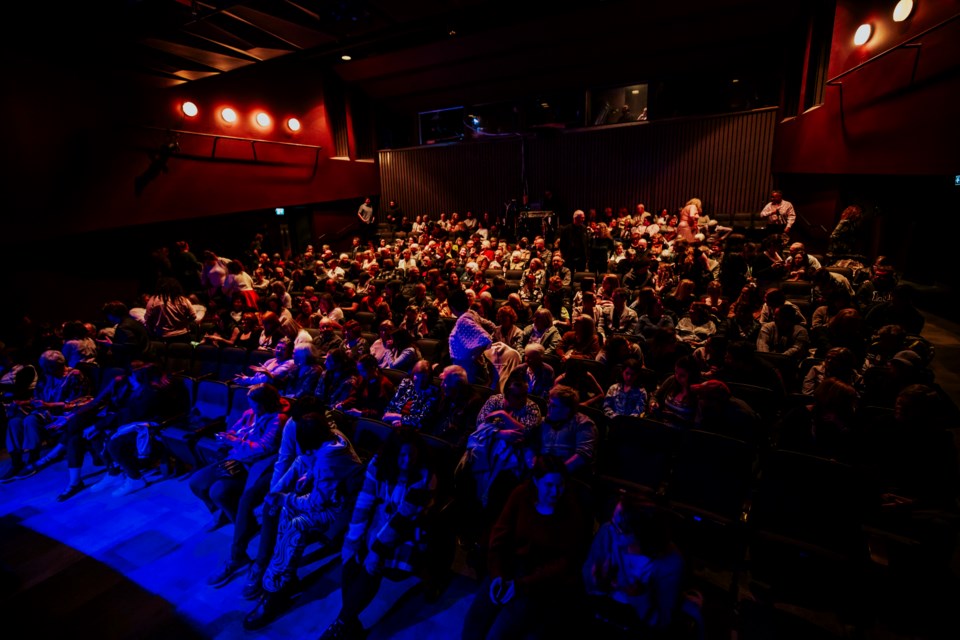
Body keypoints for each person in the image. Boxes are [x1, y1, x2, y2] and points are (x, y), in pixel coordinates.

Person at [241, 412, 363, 630]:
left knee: (294, 522)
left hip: (343, 508)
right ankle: (282, 577)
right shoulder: (330, 435)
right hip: (333, 497)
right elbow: (303, 462)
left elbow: (317, 501)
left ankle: (275, 592)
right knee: (286, 513)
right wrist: (278, 493)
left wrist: (284, 499)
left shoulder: (329, 456)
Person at [318, 428, 437, 640]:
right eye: (402, 454)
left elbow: (403, 518)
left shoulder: (425, 475)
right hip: (379, 521)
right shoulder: (378, 464)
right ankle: (349, 622)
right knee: (350, 561)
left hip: (407, 530)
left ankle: (342, 623)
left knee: (372, 567)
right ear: (392, 453)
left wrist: (376, 551)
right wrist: (352, 541)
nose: (407, 460)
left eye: (412, 454)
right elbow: (364, 502)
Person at [462, 454, 592, 640]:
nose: (555, 492)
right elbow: (500, 534)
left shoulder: (571, 510)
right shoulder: (521, 495)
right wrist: (497, 574)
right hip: (509, 566)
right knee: (474, 621)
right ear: (536, 481)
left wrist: (522, 585)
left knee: (498, 633)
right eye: (549, 485)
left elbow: (566, 561)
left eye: (560, 485)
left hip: (538, 579)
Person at [195, 384, 289, 586]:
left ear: (265, 404)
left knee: (218, 492)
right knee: (196, 483)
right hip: (235, 457)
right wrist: (227, 438)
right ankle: (224, 514)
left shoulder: (277, 419)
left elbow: (264, 447)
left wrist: (235, 441)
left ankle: (240, 542)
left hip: (253, 466)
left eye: (254, 404)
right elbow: (234, 431)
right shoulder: (249, 413)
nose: (251, 407)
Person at [582, 495, 689, 637]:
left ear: (641, 534)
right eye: (612, 520)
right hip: (600, 610)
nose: (611, 529)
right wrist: (597, 581)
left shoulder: (671, 563)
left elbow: (662, 623)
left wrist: (639, 596)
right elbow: (587, 581)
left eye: (619, 529)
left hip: (637, 625)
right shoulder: (608, 532)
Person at [2, 350, 91, 481]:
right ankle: (16, 461)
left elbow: (80, 400)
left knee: (30, 420)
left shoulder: (74, 375)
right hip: (44, 411)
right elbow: (38, 397)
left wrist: (50, 405)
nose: (47, 370)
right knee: (14, 422)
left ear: (58, 365)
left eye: (49, 367)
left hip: (62, 413)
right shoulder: (46, 377)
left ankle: (34, 457)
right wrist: (25, 402)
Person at [448, 287, 494, 385]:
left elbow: (486, 339)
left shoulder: (463, 320)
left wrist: (472, 357)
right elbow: (491, 326)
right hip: (469, 366)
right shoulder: (471, 313)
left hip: (468, 368)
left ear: (452, 307)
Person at [382, 359, 437, 429]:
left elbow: (421, 420)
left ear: (428, 379)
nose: (418, 384)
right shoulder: (406, 383)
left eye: (422, 381)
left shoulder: (432, 392)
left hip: (412, 429)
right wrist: (392, 419)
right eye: (416, 380)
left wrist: (399, 418)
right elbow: (391, 405)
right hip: (392, 423)